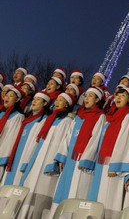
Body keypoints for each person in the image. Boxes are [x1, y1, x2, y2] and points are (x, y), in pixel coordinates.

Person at [49, 87, 106, 215]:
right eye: (86, 95)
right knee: (63, 192)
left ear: (97, 99)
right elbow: (68, 137)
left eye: (91, 96)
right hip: (70, 160)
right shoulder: (78, 116)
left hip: (82, 164)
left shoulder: (100, 116)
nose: (86, 98)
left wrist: (86, 160)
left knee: (77, 194)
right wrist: (62, 157)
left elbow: (95, 139)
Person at [19, 92, 74, 219]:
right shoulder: (51, 118)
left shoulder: (66, 121)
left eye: (61, 100)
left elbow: (61, 142)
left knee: (41, 194)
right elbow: (38, 140)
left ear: (67, 104)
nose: (57, 102)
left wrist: (53, 163)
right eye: (57, 100)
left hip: (48, 161)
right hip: (38, 158)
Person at [87, 85, 129, 218]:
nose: (119, 98)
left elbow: (125, 141)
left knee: (108, 201)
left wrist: (116, 165)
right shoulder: (110, 117)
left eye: (123, 96)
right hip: (102, 163)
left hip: (113, 166)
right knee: (97, 198)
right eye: (117, 96)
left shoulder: (128, 116)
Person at [1, 91, 49, 186]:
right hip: (14, 158)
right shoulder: (27, 120)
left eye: (38, 99)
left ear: (45, 103)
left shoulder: (43, 121)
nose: (34, 101)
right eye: (34, 99)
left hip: (23, 158)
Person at [0, 85, 24, 181]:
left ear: (17, 99)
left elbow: (11, 138)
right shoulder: (1, 113)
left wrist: (3, 156)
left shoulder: (18, 116)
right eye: (6, 95)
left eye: (11, 96)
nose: (7, 97)